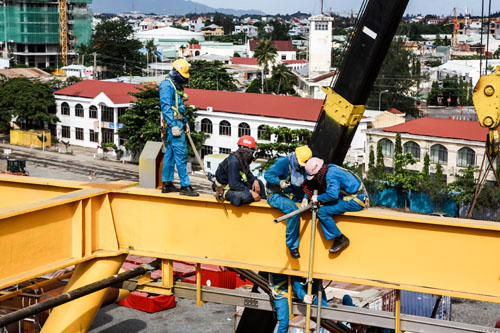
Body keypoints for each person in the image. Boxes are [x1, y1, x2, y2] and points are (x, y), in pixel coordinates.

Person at [302, 157, 367, 254]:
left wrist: (317, 198)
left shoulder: (330, 175)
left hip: (355, 201)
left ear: (317, 172)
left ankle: (340, 239)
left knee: (322, 212)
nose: (316, 179)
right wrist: (306, 197)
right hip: (354, 196)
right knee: (324, 206)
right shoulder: (330, 168)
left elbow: (332, 195)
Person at [264, 146, 312, 259]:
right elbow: (267, 175)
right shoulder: (283, 162)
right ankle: (292, 246)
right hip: (276, 194)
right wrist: (279, 182)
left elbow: (308, 183)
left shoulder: (304, 166)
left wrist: (306, 197)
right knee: (293, 211)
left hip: (294, 195)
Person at [160, 58, 198, 196]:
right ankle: (185, 186)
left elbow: (179, 107)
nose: (184, 80)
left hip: (178, 122)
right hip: (174, 125)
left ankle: (167, 183)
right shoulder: (167, 85)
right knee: (181, 155)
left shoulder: (175, 86)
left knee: (170, 154)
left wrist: (185, 121)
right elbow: (165, 107)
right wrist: (173, 125)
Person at [214, 135, 266, 206]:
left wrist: (255, 180)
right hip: (225, 189)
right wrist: (250, 192)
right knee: (245, 196)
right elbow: (234, 185)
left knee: (259, 183)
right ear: (248, 152)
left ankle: (263, 204)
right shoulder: (233, 162)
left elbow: (248, 174)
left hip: (234, 185)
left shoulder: (241, 160)